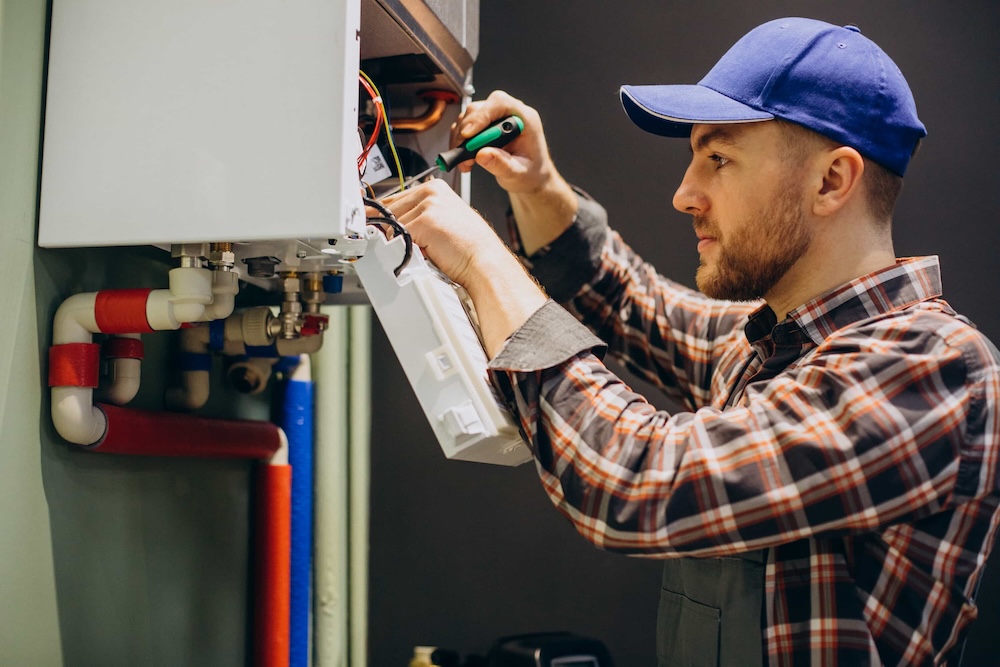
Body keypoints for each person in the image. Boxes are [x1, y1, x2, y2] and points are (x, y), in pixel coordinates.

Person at [379, 17, 1000, 666]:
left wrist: (484, 260)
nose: (684, 194)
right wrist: (537, 188)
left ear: (831, 181)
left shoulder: (932, 368)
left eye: (719, 159)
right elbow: (635, 306)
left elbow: (637, 479)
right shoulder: (779, 345)